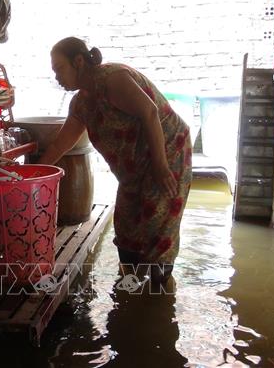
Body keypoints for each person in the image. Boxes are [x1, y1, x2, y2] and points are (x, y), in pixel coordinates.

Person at [38, 37, 192, 284]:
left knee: (158, 223)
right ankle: (129, 289)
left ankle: (159, 295)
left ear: (78, 62)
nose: (56, 77)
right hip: (133, 169)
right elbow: (60, 145)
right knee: (126, 224)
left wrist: (162, 167)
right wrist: (35, 174)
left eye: (59, 69)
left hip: (166, 153)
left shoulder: (114, 79)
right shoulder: (81, 104)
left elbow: (150, 112)